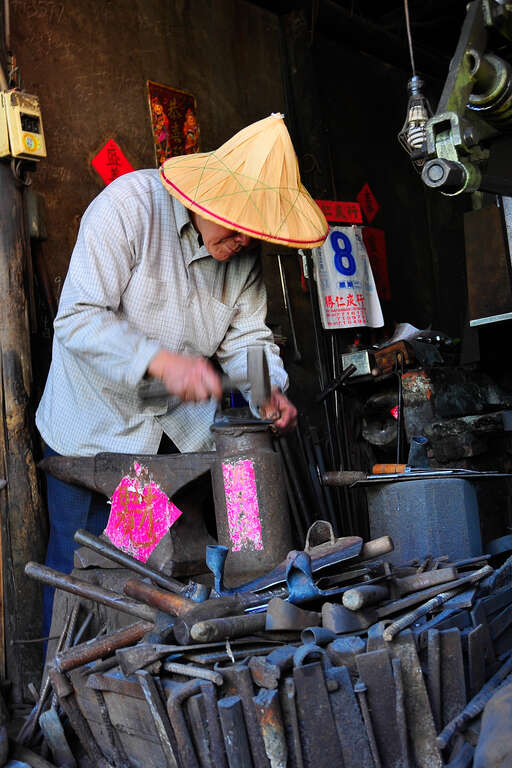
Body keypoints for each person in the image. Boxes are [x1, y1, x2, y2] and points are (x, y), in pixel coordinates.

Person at [36, 113, 328, 633]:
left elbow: (247, 339)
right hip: (94, 433)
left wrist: (266, 391)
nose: (244, 243)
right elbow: (78, 318)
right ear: (205, 199)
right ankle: (58, 699)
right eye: (238, 227)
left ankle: (128, 691)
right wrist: (160, 362)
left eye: (255, 235)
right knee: (79, 577)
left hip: (166, 445)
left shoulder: (241, 257)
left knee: (142, 575)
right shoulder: (128, 209)